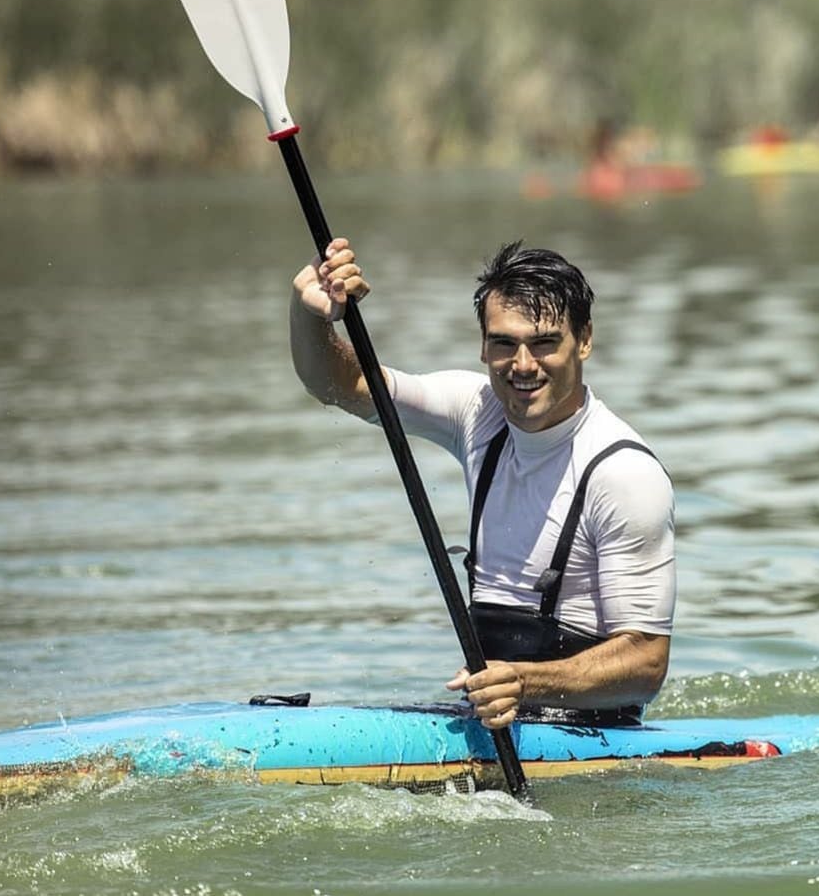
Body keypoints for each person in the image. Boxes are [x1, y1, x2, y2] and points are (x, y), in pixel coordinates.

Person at [290, 238, 676, 730]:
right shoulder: (477, 412)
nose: (522, 365)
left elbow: (646, 665)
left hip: (596, 734)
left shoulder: (623, 473)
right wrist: (313, 314)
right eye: (503, 343)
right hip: (494, 717)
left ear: (584, 340)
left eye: (544, 343)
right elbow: (339, 386)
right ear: (482, 345)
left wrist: (522, 683)